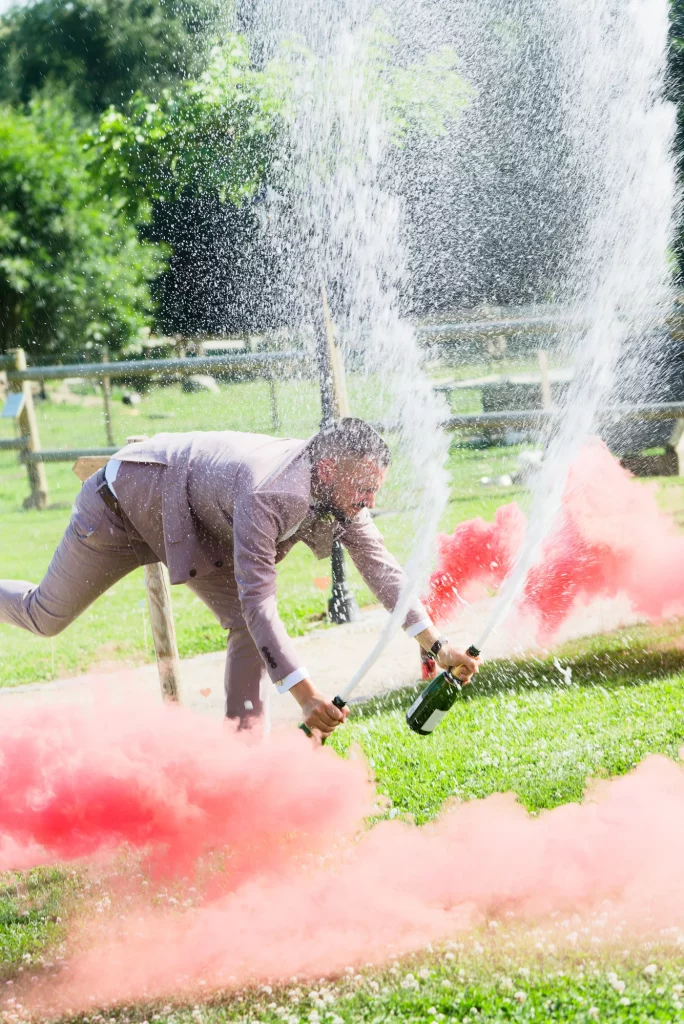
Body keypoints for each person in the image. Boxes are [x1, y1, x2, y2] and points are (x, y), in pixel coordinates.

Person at [0, 418, 479, 737]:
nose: (370, 501)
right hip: (121, 510)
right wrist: (306, 696)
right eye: (364, 488)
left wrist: (437, 645)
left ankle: (243, 766)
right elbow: (259, 601)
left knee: (247, 634)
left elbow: (382, 569)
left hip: (189, 524)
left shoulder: (339, 493)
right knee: (44, 617)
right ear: (329, 469)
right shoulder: (270, 491)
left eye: (376, 489)